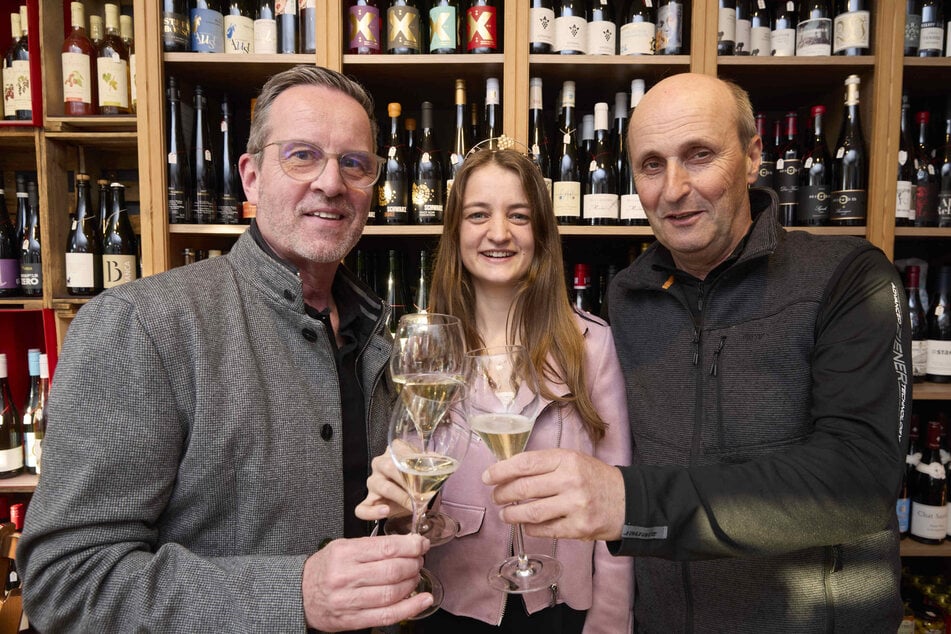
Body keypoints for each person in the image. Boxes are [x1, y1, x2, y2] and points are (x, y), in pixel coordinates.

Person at [482, 73, 912, 631]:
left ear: (752, 157)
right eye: (651, 165)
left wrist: (630, 503)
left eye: (699, 155)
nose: (674, 188)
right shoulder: (629, 296)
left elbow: (859, 481)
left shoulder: (848, 278)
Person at [16, 65, 434, 632]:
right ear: (252, 178)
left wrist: (404, 520)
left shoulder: (377, 334)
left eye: (354, 163)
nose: (332, 183)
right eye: (303, 156)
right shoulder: (141, 324)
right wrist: (296, 594)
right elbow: (67, 582)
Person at [356, 147, 634, 632]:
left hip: (561, 605)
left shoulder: (592, 344)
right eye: (478, 215)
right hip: (452, 602)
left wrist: (608, 624)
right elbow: (413, 492)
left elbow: (618, 502)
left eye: (519, 216)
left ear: (541, 233)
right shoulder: (425, 349)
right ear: (455, 232)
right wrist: (402, 513)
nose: (499, 233)